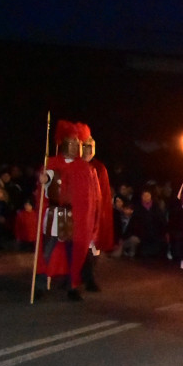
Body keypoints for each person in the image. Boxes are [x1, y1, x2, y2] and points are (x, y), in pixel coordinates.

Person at [35, 121, 98, 300]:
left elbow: (87, 198)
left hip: (74, 218)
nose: (74, 147)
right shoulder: (52, 163)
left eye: (77, 144)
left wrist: (86, 220)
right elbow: (46, 187)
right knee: (46, 251)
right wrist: (44, 179)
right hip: (54, 214)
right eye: (71, 143)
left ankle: (72, 287)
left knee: (74, 253)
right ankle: (39, 285)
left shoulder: (84, 168)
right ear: (63, 144)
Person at [77, 123, 114, 291]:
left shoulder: (99, 168)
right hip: (78, 214)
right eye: (86, 146)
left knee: (92, 249)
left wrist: (102, 216)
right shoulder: (75, 166)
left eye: (91, 147)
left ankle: (89, 278)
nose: (89, 150)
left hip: (95, 215)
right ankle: (75, 278)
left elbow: (104, 195)